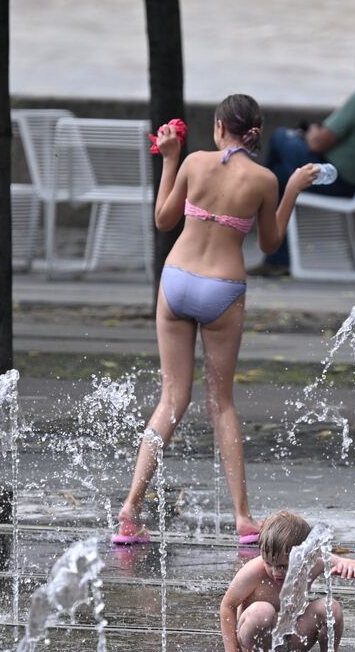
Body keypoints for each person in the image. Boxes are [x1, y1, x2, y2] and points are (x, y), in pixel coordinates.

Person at [114, 95, 320, 546]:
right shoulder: (264, 179)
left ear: (220, 126)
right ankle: (244, 518)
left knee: (172, 400)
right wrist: (291, 191)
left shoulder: (194, 162)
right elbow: (269, 243)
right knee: (221, 402)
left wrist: (169, 159)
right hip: (223, 290)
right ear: (252, 131)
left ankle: (130, 509)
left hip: (177, 280)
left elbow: (163, 219)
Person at [248, 45, 355, 277]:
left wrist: (309, 134)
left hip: (338, 182)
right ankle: (275, 258)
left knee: (281, 136)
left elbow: (318, 143)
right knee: (281, 175)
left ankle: (255, 200)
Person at [208, 510, 355, 652]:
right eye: (269, 563)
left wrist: (349, 567)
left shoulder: (313, 562)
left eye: (283, 566)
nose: (276, 572)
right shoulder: (252, 572)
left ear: (304, 555)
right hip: (257, 646)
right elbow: (227, 605)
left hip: (292, 643)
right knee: (261, 610)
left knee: (330, 607)